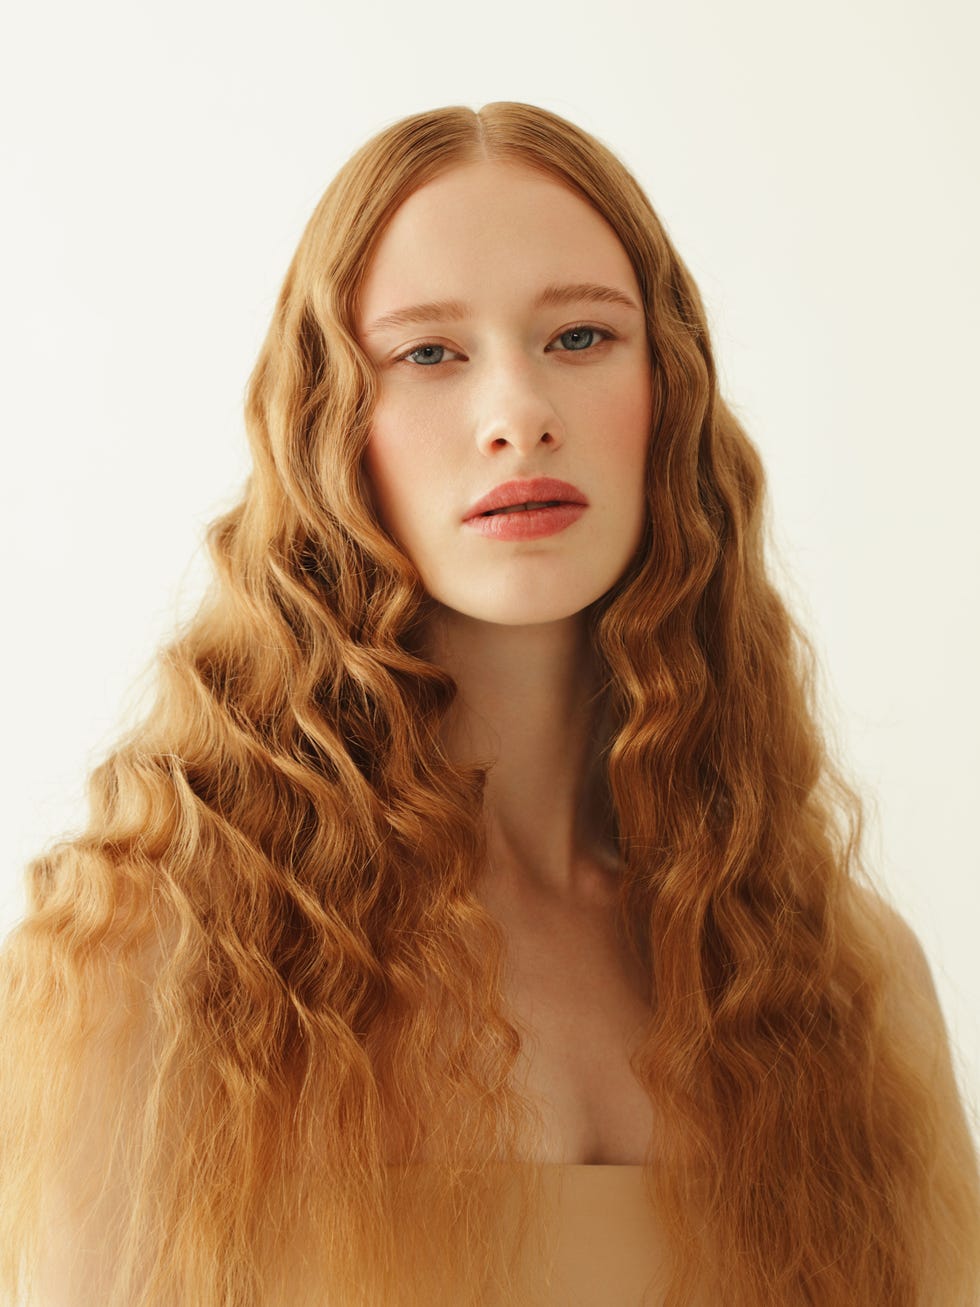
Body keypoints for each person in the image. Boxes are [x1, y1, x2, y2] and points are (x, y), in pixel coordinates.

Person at [0, 101, 977, 1307]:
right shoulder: (154, 959)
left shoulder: (842, 975)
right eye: (428, 353)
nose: (518, 412)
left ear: (667, 394)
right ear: (327, 429)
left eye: (579, 336)